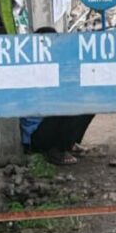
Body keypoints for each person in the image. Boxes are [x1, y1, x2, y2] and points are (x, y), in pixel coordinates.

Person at [20, 28, 94, 165]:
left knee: (91, 105)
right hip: (36, 136)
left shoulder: (52, 66)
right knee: (69, 106)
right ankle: (56, 151)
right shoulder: (34, 70)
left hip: (47, 125)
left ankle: (69, 143)